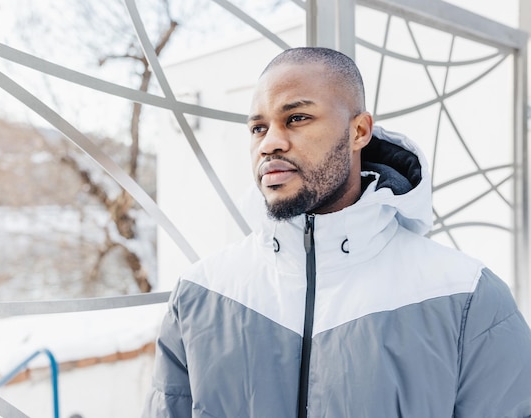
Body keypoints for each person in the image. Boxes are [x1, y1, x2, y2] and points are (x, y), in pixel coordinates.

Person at [142, 47, 531, 417]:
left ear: (359, 131)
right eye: (258, 128)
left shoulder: (466, 296)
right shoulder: (200, 293)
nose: (270, 143)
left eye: (296, 118)